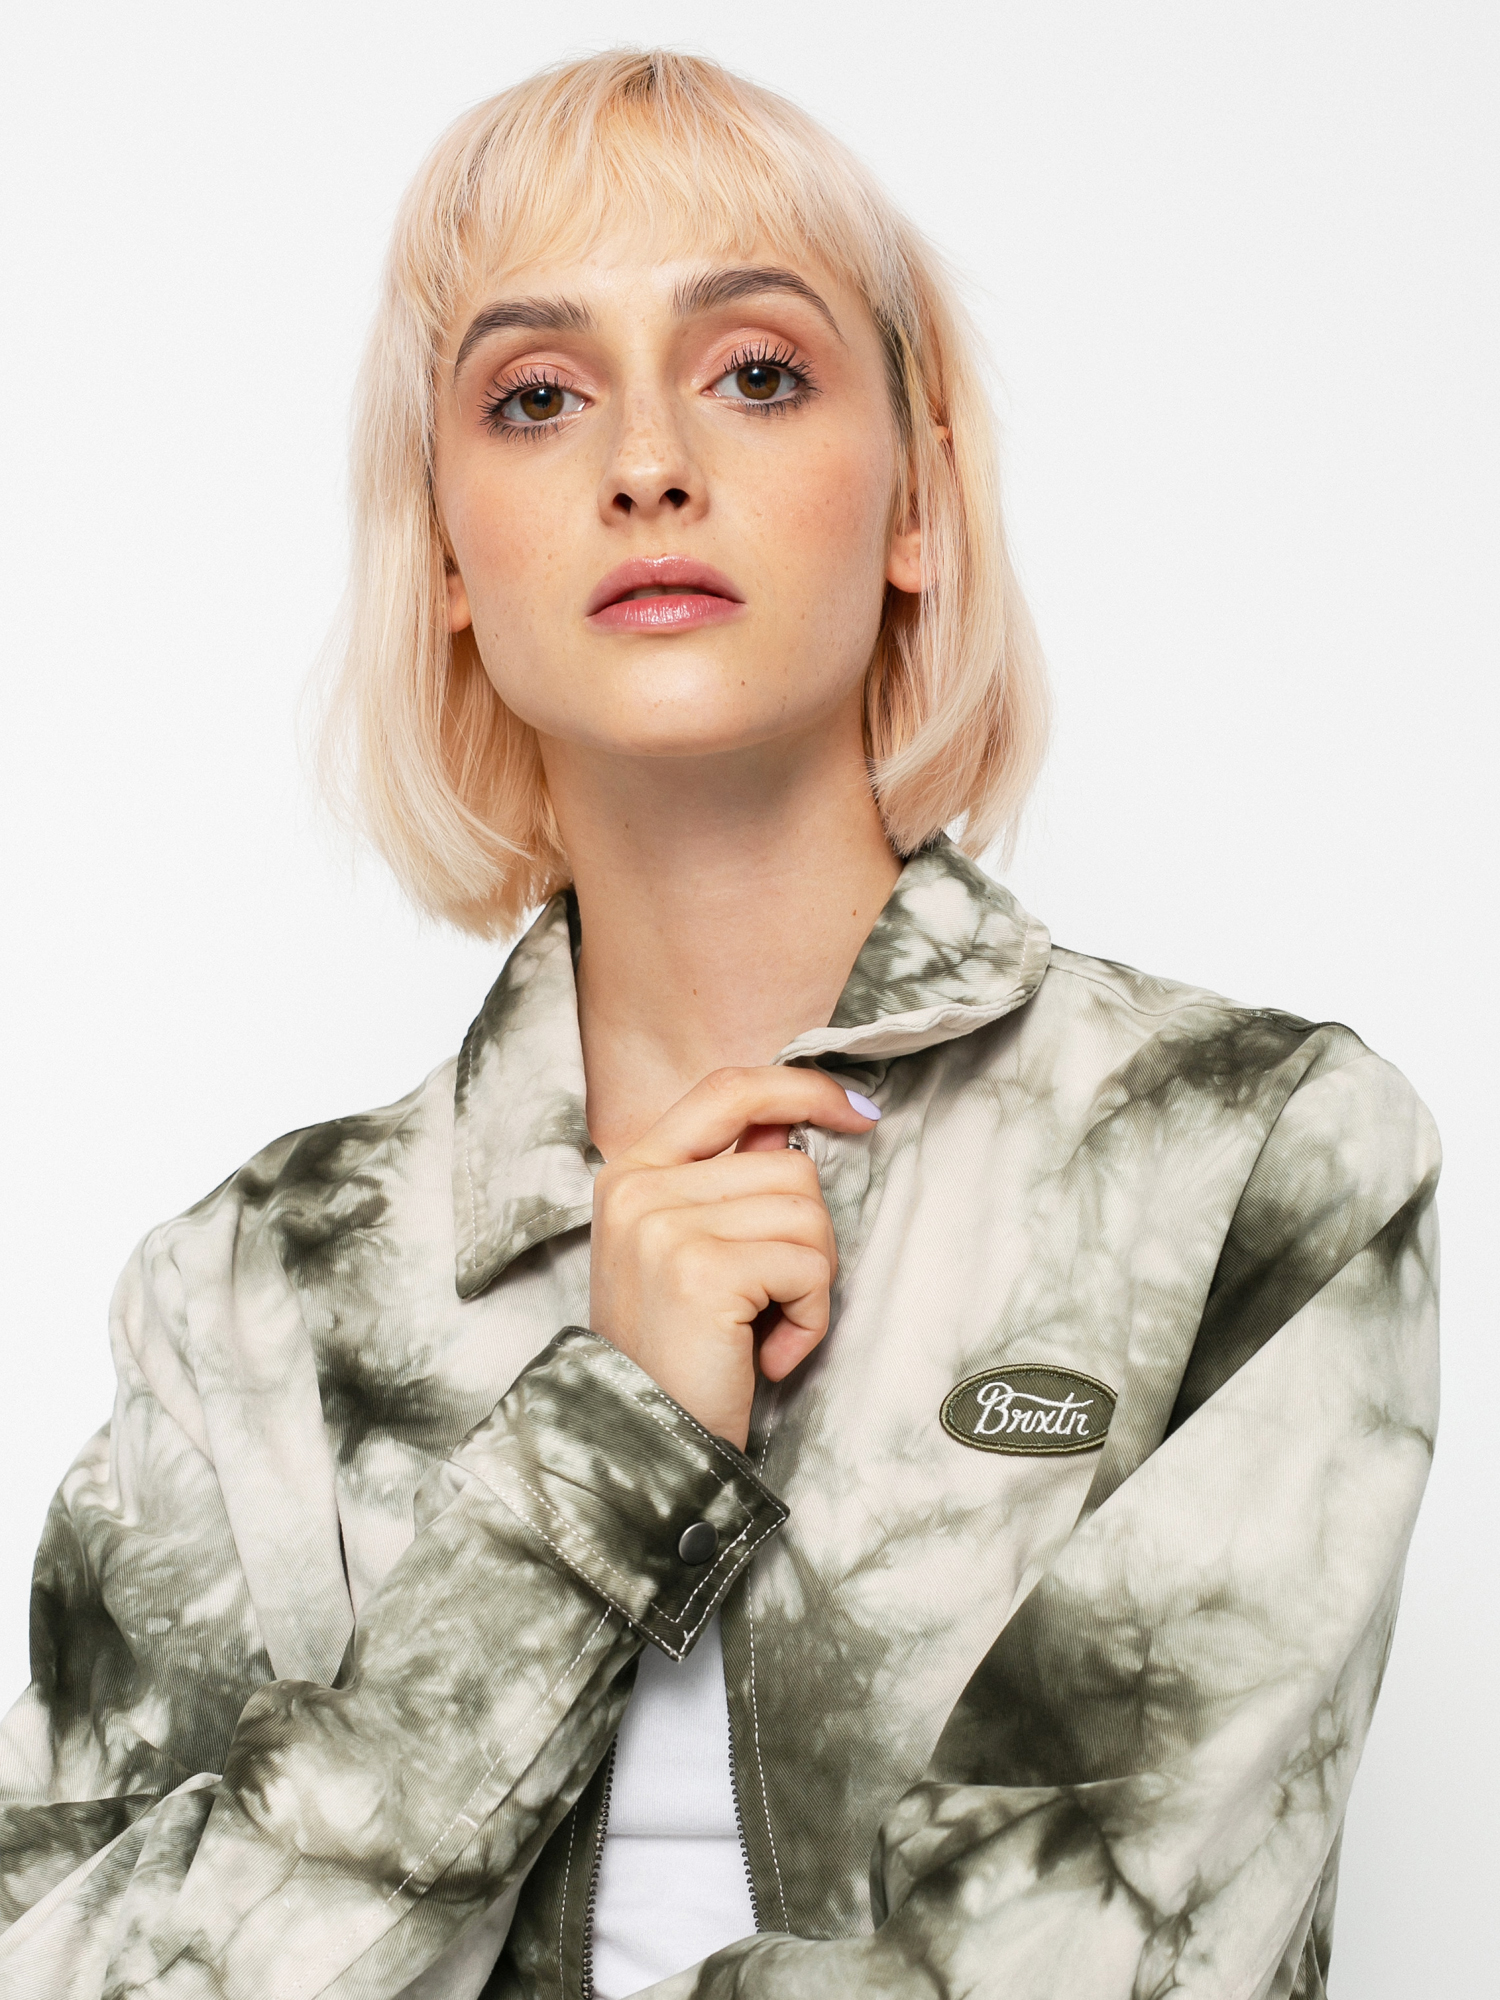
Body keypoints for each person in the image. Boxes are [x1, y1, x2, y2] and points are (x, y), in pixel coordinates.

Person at [0, 48, 1438, 2000]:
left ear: (917, 500)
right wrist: (602, 1461)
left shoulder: (1251, 1159)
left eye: (757, 371)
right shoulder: (248, 1294)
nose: (648, 461)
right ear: (445, 550)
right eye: (536, 394)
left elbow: (1095, 1958)